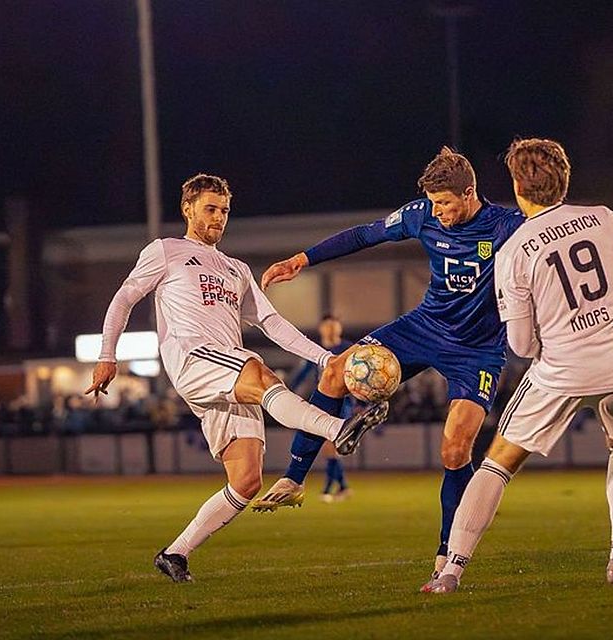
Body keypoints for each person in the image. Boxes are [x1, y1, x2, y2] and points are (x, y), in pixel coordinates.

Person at [86, 173, 389, 583]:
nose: (219, 217)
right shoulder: (166, 251)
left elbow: (271, 323)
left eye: (225, 210)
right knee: (259, 371)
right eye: (210, 209)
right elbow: (124, 298)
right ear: (187, 209)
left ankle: (175, 554)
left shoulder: (236, 268)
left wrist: (324, 358)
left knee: (246, 481)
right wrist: (108, 355)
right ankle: (338, 428)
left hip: (224, 374)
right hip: (195, 359)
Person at [251, 148, 526, 589]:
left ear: (470, 193)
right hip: (425, 326)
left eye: (445, 204)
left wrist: (609, 231)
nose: (438, 212)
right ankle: (294, 478)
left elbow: (556, 230)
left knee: (456, 448)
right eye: (434, 204)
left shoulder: (507, 224)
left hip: (477, 349)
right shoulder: (422, 216)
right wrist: (301, 260)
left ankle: (447, 552)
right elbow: (365, 235)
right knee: (335, 371)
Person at [427, 138, 613, 593]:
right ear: (564, 179)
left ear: (516, 186)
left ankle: (451, 571)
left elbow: (523, 345)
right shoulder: (604, 220)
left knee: (497, 464)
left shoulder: (513, 251)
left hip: (564, 370)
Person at [276, 314, 356, 504]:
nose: (330, 329)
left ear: (339, 328)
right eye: (327, 326)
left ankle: (331, 488)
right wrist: (286, 391)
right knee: (329, 448)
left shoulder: (346, 348)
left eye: (334, 325)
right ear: (321, 329)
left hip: (343, 401)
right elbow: (303, 374)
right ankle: (342, 487)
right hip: (322, 400)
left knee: (330, 446)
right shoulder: (316, 352)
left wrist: (360, 403)